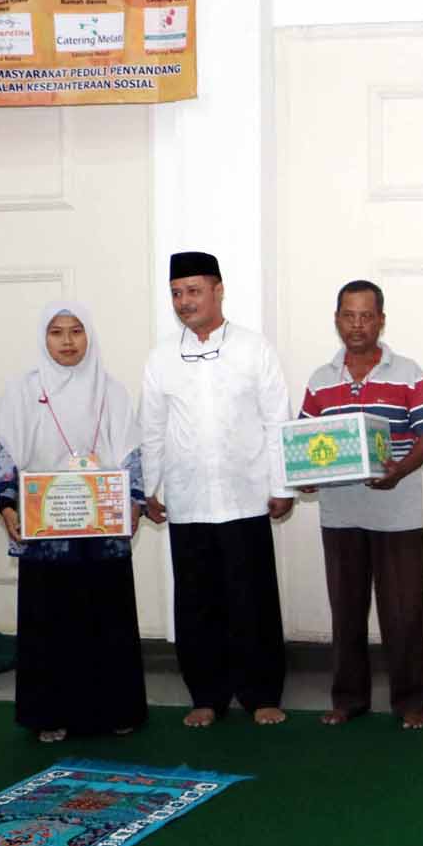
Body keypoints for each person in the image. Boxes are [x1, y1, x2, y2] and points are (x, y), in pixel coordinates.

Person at [141, 251, 294, 728]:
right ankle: (206, 696)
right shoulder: (162, 356)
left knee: (253, 602)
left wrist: (282, 483)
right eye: (176, 293)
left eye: (193, 291)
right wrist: (149, 488)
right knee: (196, 603)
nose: (184, 301)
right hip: (188, 500)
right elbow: (152, 427)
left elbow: (277, 420)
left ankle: (261, 695)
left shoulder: (253, 348)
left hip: (246, 496)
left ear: (218, 290)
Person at [0, 302, 147, 742]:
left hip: (101, 528)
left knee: (107, 617)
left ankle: (116, 710)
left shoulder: (110, 391)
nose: (67, 341)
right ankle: (50, 715)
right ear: (44, 338)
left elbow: (131, 453)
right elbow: (8, 453)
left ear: (89, 336)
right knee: (50, 621)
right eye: (56, 332)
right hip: (47, 531)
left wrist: (134, 501)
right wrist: (7, 505)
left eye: (76, 331)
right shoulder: (24, 391)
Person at [298, 280, 423, 730]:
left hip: (397, 513)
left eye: (366, 316)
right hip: (340, 514)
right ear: (337, 319)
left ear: (381, 320)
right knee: (346, 611)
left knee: (403, 613)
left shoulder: (407, 372)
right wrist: (304, 477)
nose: (357, 325)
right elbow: (303, 443)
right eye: (348, 315)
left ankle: (412, 702)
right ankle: (348, 700)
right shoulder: (320, 380)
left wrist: (399, 470)